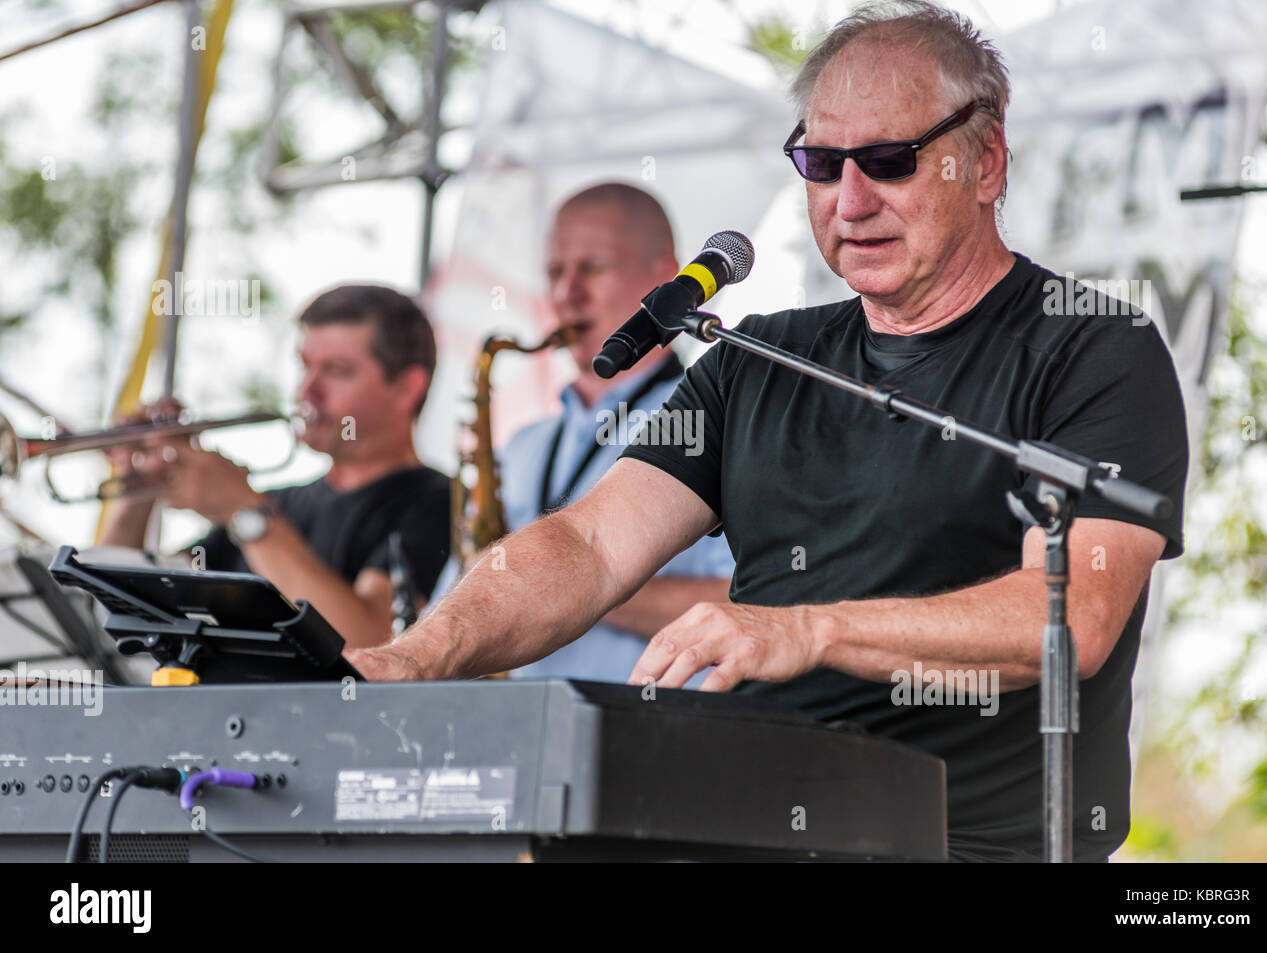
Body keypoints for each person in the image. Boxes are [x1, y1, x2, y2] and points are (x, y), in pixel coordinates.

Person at [351, 0, 1188, 862]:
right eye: (822, 164)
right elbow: (592, 546)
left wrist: (803, 628)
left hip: (966, 843)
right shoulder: (757, 359)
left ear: (985, 163)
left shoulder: (1093, 347)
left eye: (890, 162)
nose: (850, 200)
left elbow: (1074, 618)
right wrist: (419, 655)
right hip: (744, 824)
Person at [435, 183, 735, 681]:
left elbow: (755, 602)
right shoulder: (524, 444)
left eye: (593, 268)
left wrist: (562, 576)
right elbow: (457, 588)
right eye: (555, 272)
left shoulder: (718, 415)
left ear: (668, 277)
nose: (565, 294)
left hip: (651, 734)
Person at [99, 284, 452, 650]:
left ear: (407, 388)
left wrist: (245, 513)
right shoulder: (278, 505)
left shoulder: (440, 503)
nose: (306, 392)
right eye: (305, 366)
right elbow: (120, 608)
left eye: (337, 371)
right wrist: (137, 489)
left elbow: (369, 641)